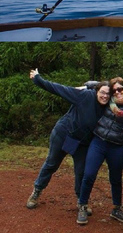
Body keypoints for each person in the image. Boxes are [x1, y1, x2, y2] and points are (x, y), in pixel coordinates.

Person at [26, 69, 110, 212]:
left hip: (82, 143)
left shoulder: (110, 105)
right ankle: (37, 190)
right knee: (51, 163)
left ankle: (81, 201)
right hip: (63, 134)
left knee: (81, 172)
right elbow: (59, 89)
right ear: (97, 91)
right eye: (102, 92)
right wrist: (38, 79)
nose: (105, 96)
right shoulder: (84, 96)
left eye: (108, 94)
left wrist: (90, 84)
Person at [76, 77, 123, 225]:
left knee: (116, 179)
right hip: (99, 141)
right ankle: (83, 205)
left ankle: (117, 208)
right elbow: (95, 86)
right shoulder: (107, 100)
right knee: (89, 174)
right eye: (114, 90)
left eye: (120, 89)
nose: (117, 92)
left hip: (117, 145)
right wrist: (85, 86)